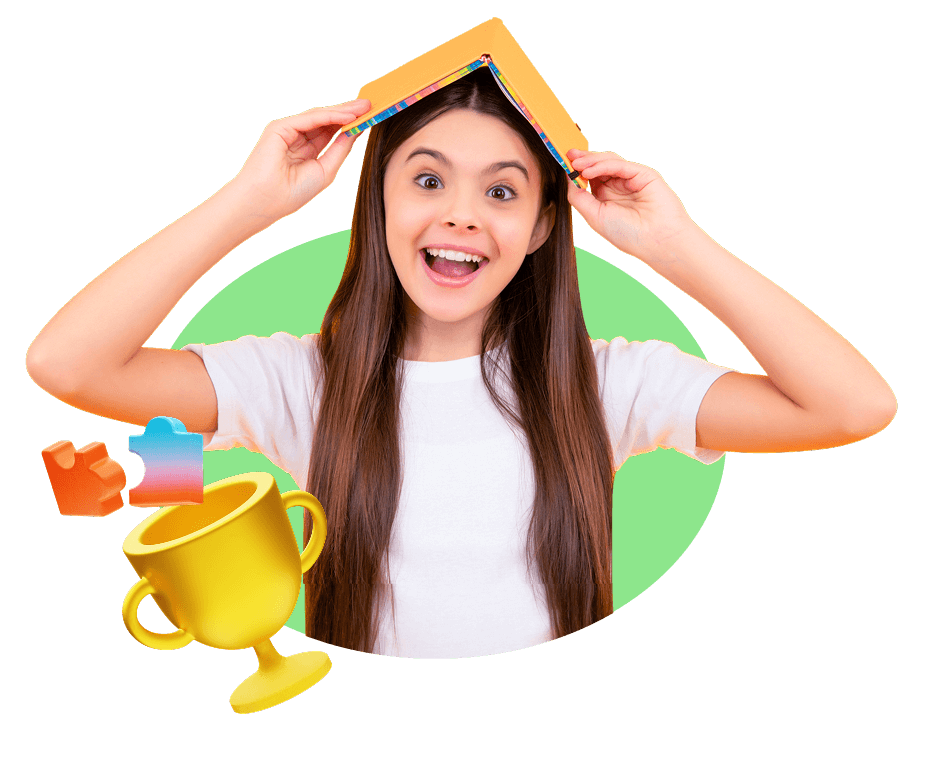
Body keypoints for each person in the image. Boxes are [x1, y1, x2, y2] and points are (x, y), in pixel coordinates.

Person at [25, 67, 896, 659]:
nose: (465, 216)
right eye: (429, 179)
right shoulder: (294, 381)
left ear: (544, 228)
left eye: (505, 191)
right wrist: (251, 202)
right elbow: (68, 363)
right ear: (377, 201)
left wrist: (675, 245)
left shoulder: (610, 382)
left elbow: (853, 407)